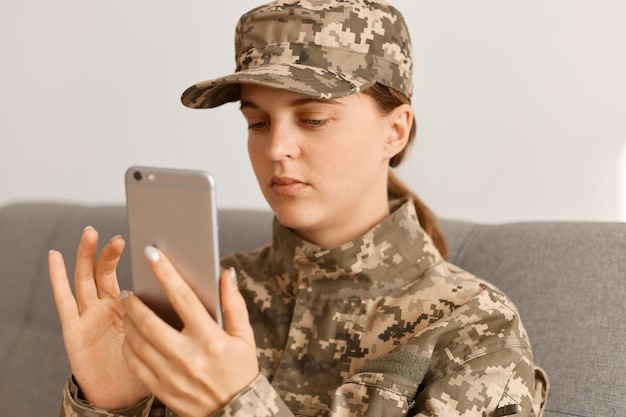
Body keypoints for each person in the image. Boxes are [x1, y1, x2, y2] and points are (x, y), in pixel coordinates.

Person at [48, 1, 548, 416]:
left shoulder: (474, 330)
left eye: (311, 119)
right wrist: (111, 406)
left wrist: (237, 402)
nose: (276, 149)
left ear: (394, 131)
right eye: (258, 122)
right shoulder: (212, 300)